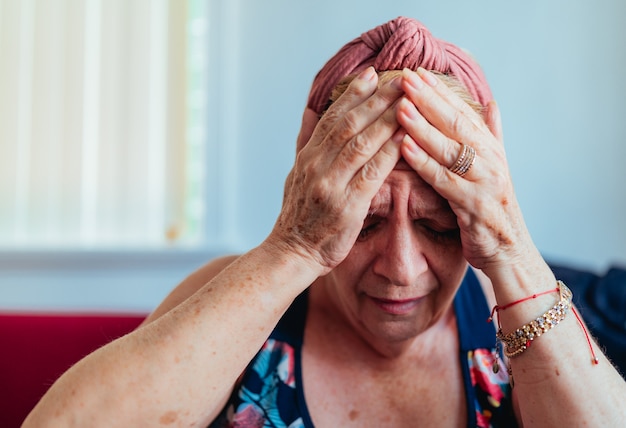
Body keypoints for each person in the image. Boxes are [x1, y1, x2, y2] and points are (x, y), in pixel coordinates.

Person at [24, 16, 626, 427]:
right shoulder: (242, 299)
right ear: (312, 190)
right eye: (362, 221)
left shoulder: (512, 318)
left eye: (439, 228)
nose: (400, 269)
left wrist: (510, 244)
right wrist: (295, 244)